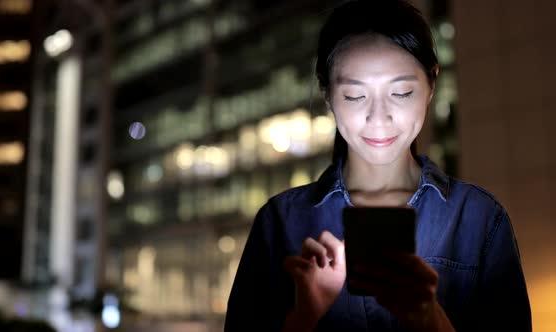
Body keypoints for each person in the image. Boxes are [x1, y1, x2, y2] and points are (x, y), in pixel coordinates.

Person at [224, 0, 532, 331]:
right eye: (355, 97)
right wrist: (304, 316)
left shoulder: (479, 219)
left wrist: (431, 318)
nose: (379, 118)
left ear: (431, 85)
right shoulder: (280, 223)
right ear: (327, 95)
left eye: (400, 93)